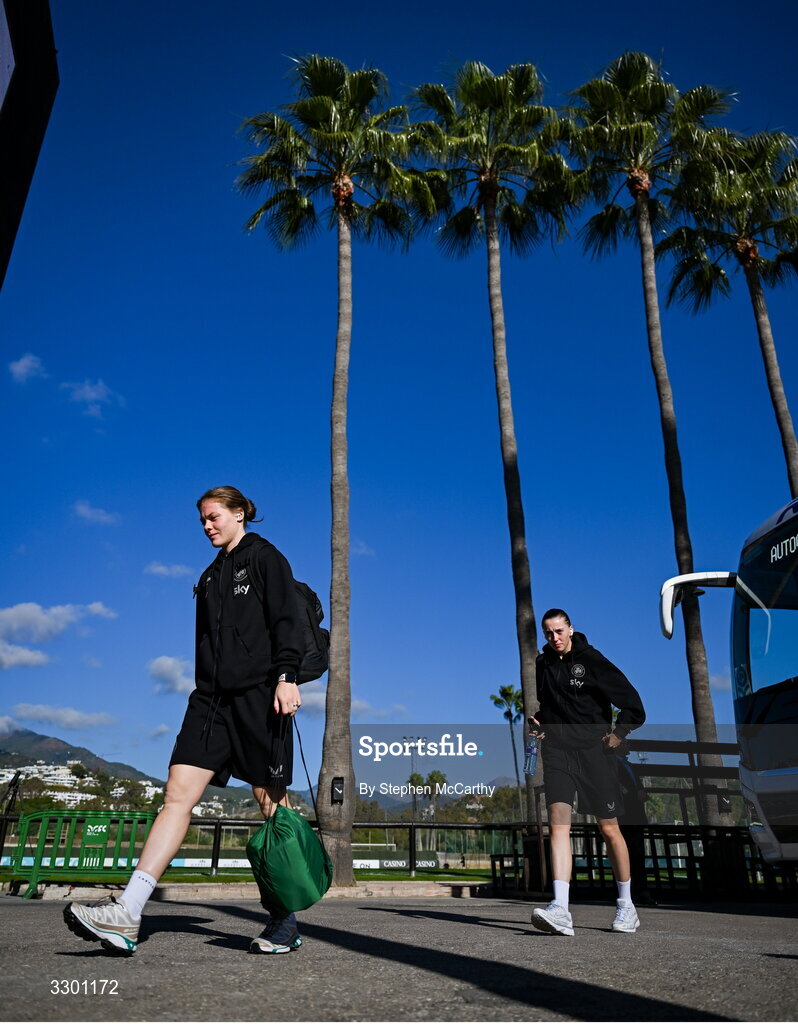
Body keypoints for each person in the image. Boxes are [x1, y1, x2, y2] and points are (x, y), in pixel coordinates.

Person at [63, 485, 305, 955]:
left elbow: (286, 620)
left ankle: (284, 920)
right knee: (176, 795)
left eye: (215, 516)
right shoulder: (210, 576)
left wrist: (286, 676)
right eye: (202, 520)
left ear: (240, 514)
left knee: (271, 805)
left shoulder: (265, 558)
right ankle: (128, 912)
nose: (208, 525)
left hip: (260, 694)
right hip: (210, 701)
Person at [530, 608, 646, 937]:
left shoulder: (592, 660)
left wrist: (619, 733)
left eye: (559, 631)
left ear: (570, 629)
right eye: (548, 633)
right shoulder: (543, 664)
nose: (554, 638)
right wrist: (541, 722)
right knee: (558, 825)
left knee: (609, 829)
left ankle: (626, 907)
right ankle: (560, 908)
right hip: (557, 752)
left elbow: (632, 703)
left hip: (594, 754)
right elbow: (550, 705)